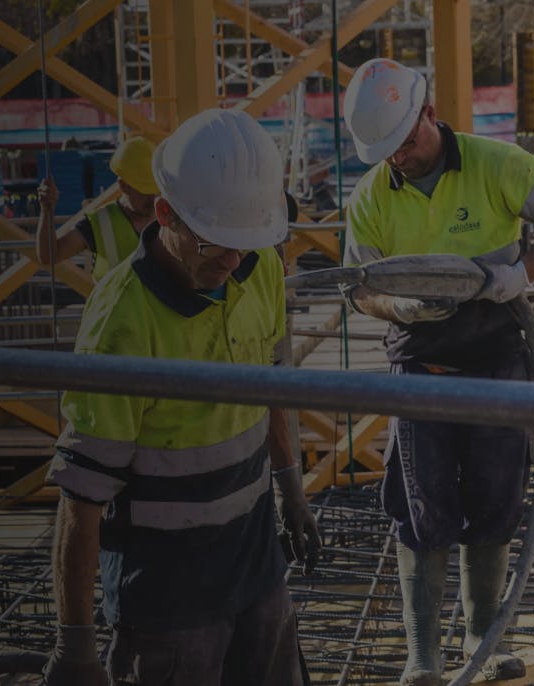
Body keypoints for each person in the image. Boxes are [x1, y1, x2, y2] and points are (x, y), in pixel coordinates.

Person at [43, 109, 321, 686]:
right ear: (164, 213)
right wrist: (75, 647)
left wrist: (292, 489)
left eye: (245, 245)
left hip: (253, 561)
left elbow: (272, 392)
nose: (232, 262)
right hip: (168, 594)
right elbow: (81, 498)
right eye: (217, 244)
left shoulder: (257, 265)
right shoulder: (121, 324)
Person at [340, 58, 534, 686]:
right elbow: (358, 289)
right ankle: (422, 654)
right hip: (418, 365)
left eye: (407, 141)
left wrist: (522, 272)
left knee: (495, 499)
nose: (401, 157)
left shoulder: (492, 163)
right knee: (421, 506)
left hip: (496, 359)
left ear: (429, 113)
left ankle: (482, 636)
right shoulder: (372, 195)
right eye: (388, 151)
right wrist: (394, 303)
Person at [35, 136, 159, 282]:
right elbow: (49, 256)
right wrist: (46, 212)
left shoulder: (170, 217)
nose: (153, 198)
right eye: (144, 190)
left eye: (156, 189)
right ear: (123, 185)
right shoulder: (100, 223)